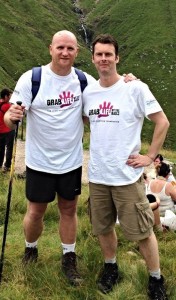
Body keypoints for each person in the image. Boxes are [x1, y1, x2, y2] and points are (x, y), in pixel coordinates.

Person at [4, 30, 136, 286]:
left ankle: (69, 257)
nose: (65, 53)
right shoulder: (32, 79)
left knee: (69, 209)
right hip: (39, 162)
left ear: (77, 52)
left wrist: (129, 83)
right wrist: (12, 117)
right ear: (50, 48)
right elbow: (10, 119)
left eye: (70, 49)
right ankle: (30, 249)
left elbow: (109, 93)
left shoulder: (83, 80)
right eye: (60, 47)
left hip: (71, 161)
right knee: (36, 211)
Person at [83, 34, 169, 299]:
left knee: (142, 231)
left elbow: (162, 121)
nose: (104, 59)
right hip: (98, 175)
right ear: (94, 58)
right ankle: (111, 268)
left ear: (117, 58)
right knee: (104, 226)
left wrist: (150, 156)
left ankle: (156, 279)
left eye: (109, 54)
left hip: (126, 176)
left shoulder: (135, 88)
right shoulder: (89, 92)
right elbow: (88, 121)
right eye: (99, 54)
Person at [0, 88, 15, 172]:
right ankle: (7, 166)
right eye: (9, 96)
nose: (10, 98)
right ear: (6, 96)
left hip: (0, 130)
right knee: (9, 148)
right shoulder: (7, 106)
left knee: (0, 149)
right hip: (8, 130)